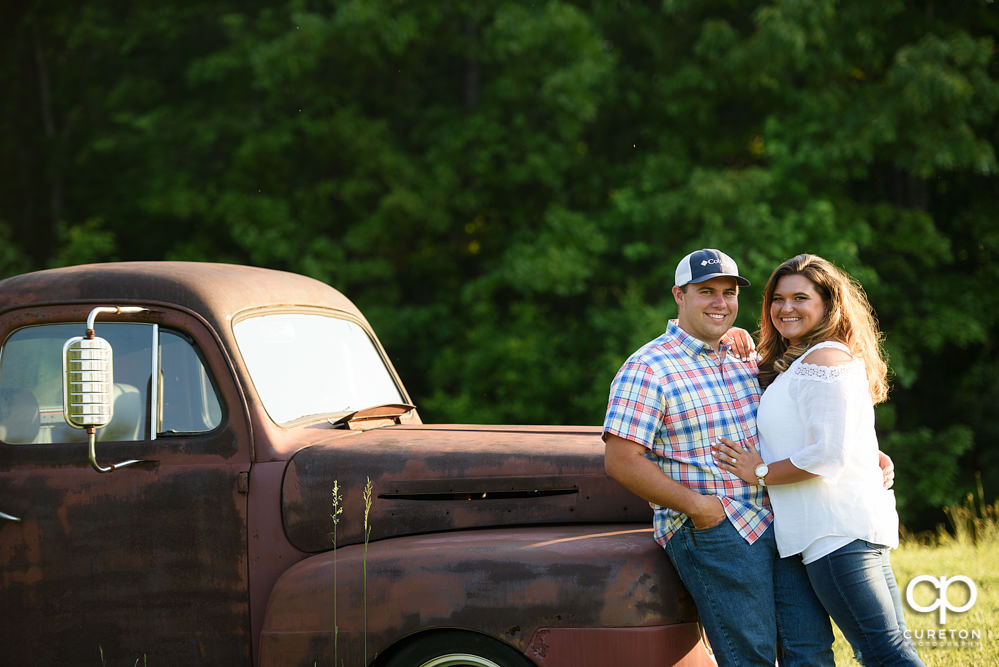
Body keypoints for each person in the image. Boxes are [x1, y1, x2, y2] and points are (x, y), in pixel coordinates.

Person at [602, 248, 835, 666]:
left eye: (729, 293)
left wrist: (863, 452)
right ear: (679, 295)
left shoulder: (744, 356)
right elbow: (621, 459)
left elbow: (807, 415)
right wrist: (700, 508)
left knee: (810, 647)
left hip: (779, 519)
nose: (720, 303)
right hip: (716, 528)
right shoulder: (648, 368)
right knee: (751, 655)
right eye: (706, 291)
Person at [712, 254, 923, 666]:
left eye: (800, 298)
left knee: (884, 653)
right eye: (777, 298)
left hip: (837, 535)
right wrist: (733, 335)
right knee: (886, 648)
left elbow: (826, 455)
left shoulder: (824, 359)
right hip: (830, 533)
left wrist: (758, 472)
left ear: (827, 304)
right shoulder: (800, 362)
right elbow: (823, 432)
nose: (785, 308)